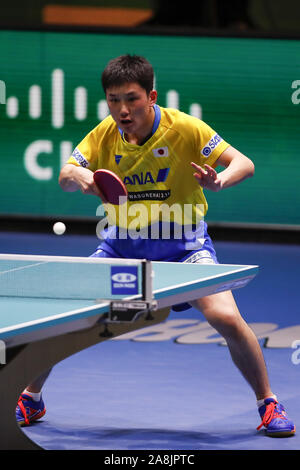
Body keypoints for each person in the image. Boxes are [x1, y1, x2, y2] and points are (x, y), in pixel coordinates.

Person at [16, 54, 295, 438]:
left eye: (131, 99)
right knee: (63, 318)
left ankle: (268, 401)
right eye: (113, 100)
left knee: (226, 317)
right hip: (122, 248)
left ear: (151, 96)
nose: (122, 109)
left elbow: (243, 163)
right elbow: (65, 175)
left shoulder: (184, 128)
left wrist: (219, 182)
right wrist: (78, 174)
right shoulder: (104, 134)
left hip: (184, 248)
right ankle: (32, 396)